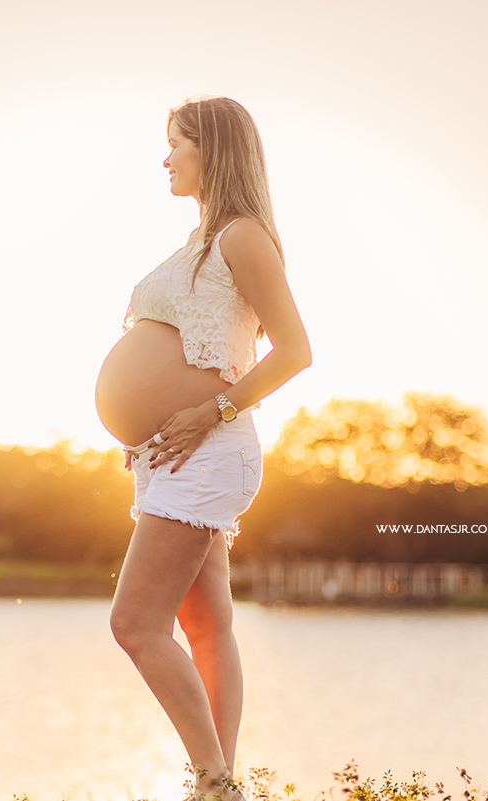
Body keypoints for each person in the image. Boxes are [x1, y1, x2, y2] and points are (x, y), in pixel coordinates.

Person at [94, 96, 311, 800]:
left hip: (209, 450)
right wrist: (143, 428)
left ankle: (214, 783)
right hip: (171, 456)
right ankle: (217, 785)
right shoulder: (199, 241)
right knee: (205, 623)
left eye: (177, 143)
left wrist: (208, 410)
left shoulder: (243, 237)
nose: (166, 158)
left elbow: (295, 351)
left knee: (135, 623)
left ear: (211, 149)